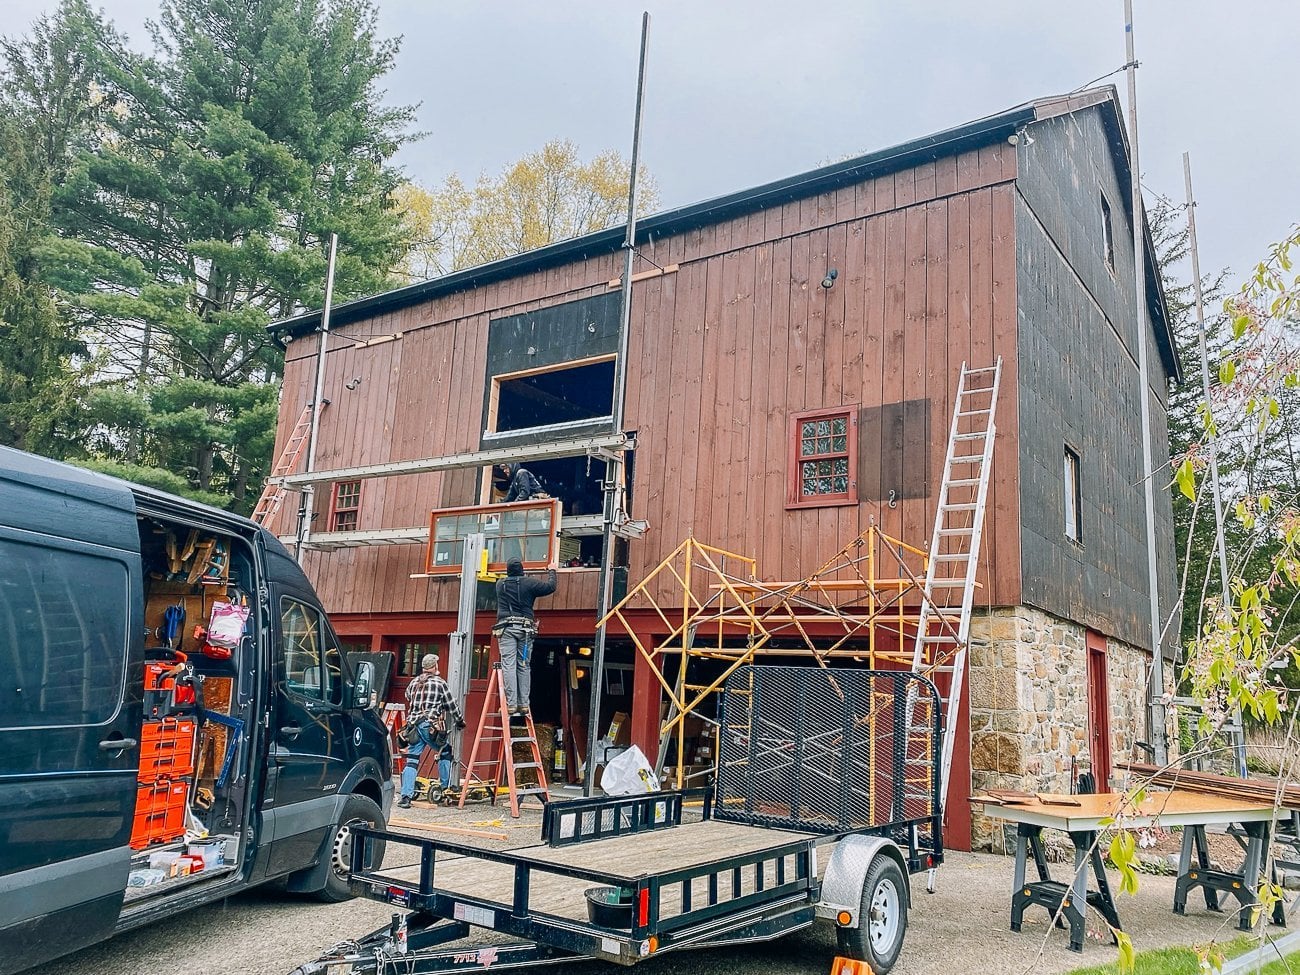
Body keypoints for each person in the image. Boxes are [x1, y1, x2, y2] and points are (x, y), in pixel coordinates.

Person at [398, 652, 465, 808]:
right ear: (434, 666)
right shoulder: (439, 683)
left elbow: (408, 696)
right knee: (446, 752)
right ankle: (444, 789)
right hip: (429, 726)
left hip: (412, 727)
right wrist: (460, 720)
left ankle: (405, 797)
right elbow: (452, 705)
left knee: (412, 760)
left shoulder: (414, 682)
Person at [493, 557, 557, 717]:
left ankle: (511, 705)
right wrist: (552, 570)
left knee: (509, 665)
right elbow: (550, 587)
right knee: (523, 665)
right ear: (522, 570)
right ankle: (524, 705)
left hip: (506, 628)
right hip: (526, 630)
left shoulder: (500, 584)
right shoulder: (529, 583)